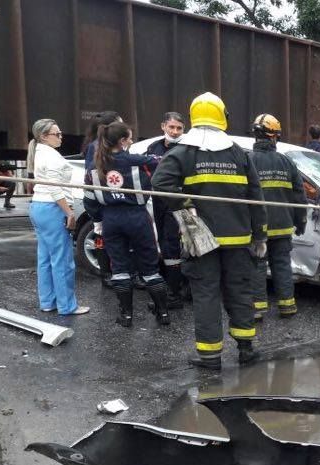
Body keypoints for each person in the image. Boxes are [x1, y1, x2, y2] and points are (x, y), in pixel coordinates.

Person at [152, 92, 267, 369]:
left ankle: (210, 356)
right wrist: (260, 234)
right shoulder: (239, 153)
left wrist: (187, 205)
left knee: (206, 294)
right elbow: (256, 196)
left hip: (201, 241)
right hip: (238, 240)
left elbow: (159, 183)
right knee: (239, 291)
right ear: (222, 116)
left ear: (193, 117)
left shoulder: (182, 152)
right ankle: (246, 349)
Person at [86, 122, 170, 327]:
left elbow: (89, 200)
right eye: (130, 138)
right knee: (150, 266)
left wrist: (97, 221)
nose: (132, 141)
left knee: (120, 268)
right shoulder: (140, 161)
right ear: (122, 141)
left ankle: (126, 316)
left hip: (111, 220)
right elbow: (164, 163)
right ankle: (163, 314)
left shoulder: (94, 168)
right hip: (137, 217)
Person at [26, 119, 89, 315]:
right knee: (62, 260)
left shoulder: (39, 152)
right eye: (57, 134)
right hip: (52, 207)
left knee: (45, 258)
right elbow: (55, 188)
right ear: (44, 136)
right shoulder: (51, 156)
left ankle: (48, 302)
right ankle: (66, 306)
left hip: (39, 206)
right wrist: (69, 212)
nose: (61, 137)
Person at [249, 114, 307, 320]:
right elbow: (300, 196)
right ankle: (287, 306)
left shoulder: (248, 160)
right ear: (274, 137)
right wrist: (301, 222)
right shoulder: (287, 162)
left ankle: (257, 309)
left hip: (257, 228)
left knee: (257, 265)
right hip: (283, 226)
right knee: (282, 265)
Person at [144, 112, 187, 307]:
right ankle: (168, 288)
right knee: (162, 244)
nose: (175, 132)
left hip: (178, 204)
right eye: (172, 127)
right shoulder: (153, 147)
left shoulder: (188, 148)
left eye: (179, 128)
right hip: (157, 202)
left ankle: (175, 295)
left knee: (172, 246)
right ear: (163, 126)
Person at [84, 111, 123, 288]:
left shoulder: (100, 143)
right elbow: (92, 173)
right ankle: (106, 273)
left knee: (107, 238)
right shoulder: (97, 146)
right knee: (101, 238)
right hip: (103, 198)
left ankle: (112, 272)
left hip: (108, 196)